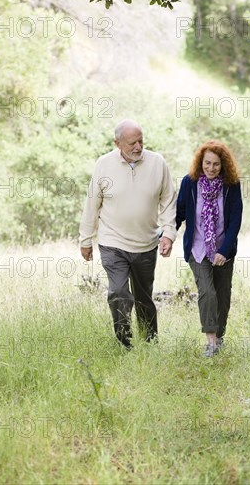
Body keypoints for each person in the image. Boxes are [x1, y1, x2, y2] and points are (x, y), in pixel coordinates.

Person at [79, 120, 176, 348]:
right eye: (132, 143)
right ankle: (126, 344)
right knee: (120, 292)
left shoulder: (157, 163)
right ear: (118, 143)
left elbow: (168, 200)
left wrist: (169, 233)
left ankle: (150, 343)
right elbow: (92, 204)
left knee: (144, 298)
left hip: (146, 243)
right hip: (113, 242)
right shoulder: (103, 164)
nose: (138, 147)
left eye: (141, 141)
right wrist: (85, 239)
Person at [176, 140, 243, 357]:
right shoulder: (189, 183)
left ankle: (220, 336)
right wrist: (167, 235)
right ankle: (211, 342)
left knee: (223, 297)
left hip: (223, 249)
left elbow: (235, 220)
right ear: (200, 162)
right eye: (207, 163)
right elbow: (180, 213)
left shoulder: (231, 185)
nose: (211, 168)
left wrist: (224, 250)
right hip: (197, 249)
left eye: (216, 164)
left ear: (223, 165)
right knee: (207, 292)